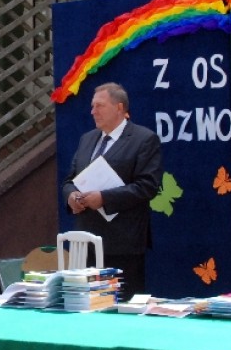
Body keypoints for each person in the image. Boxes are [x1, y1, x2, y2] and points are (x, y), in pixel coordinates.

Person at [61, 83, 163, 298]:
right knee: (87, 304)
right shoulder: (87, 139)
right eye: (92, 106)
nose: (93, 111)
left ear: (119, 107)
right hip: (86, 242)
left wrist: (104, 198)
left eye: (99, 106)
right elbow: (70, 179)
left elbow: (147, 186)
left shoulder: (143, 139)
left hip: (122, 244)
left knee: (121, 305)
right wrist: (71, 196)